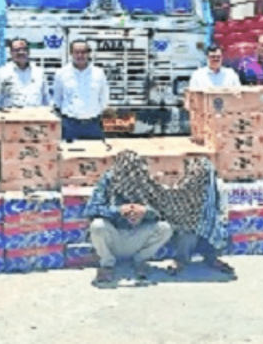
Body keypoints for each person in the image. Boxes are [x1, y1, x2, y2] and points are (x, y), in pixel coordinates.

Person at [84, 151, 174, 286]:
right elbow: (91, 209)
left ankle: (140, 260)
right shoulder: (107, 182)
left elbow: (164, 210)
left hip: (138, 236)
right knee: (97, 226)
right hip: (114, 236)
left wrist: (145, 212)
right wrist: (118, 211)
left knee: (166, 228)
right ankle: (107, 264)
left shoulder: (146, 183)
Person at [53, 40, 109, 141]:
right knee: (69, 155)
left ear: (88, 54)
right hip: (70, 125)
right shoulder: (61, 73)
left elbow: (104, 98)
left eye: (83, 52)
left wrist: (93, 113)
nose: (80, 55)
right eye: (76, 52)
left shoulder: (99, 73)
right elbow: (57, 100)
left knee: (94, 154)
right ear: (71, 53)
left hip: (93, 125)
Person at [0, 38, 51, 109]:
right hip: (11, 116)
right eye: (17, 50)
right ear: (11, 52)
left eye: (24, 49)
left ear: (29, 52)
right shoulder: (2, 72)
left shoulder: (39, 72)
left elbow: (46, 98)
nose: (21, 52)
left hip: (36, 116)